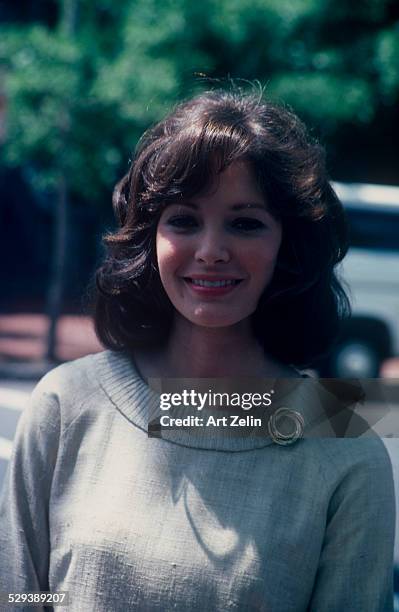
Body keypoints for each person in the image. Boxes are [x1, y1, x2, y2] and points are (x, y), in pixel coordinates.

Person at [0, 89, 395, 611]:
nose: (211, 251)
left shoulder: (346, 448)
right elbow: (23, 595)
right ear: (149, 238)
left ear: (289, 246)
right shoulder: (67, 404)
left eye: (245, 222)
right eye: (184, 219)